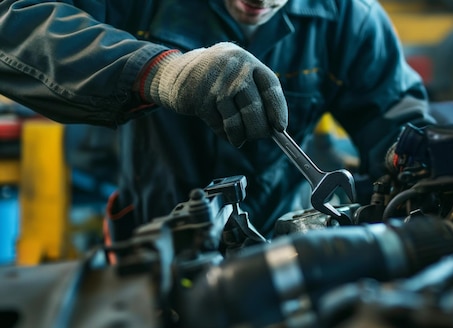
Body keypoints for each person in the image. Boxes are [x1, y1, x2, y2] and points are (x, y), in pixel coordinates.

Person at [0, 0, 430, 241]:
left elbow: (397, 125)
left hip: (288, 245)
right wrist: (159, 71)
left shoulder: (349, 19)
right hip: (153, 244)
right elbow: (14, 22)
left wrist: (414, 169)